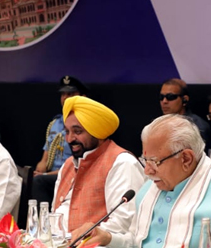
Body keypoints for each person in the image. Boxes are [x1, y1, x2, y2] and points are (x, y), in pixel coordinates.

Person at [81, 115, 211, 248]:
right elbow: (138, 246)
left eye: (154, 161)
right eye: (145, 160)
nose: (147, 171)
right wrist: (106, 238)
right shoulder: (149, 190)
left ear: (186, 159)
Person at [52, 96, 144, 238]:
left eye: (77, 131)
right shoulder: (68, 164)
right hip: (58, 247)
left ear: (97, 132)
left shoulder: (122, 163)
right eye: (67, 132)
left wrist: (77, 238)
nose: (70, 139)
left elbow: (123, 226)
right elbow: (54, 213)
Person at [32, 76, 86, 203]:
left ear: (82, 96)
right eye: (63, 94)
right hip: (51, 174)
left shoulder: (84, 125)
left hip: (70, 174)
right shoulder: (55, 123)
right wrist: (40, 170)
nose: (65, 98)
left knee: (39, 182)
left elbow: (79, 164)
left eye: (71, 94)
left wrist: (44, 176)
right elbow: (44, 159)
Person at [159, 78, 210, 146]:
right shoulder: (157, 125)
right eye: (161, 97)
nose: (164, 101)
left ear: (184, 100)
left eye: (170, 97)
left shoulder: (197, 127)